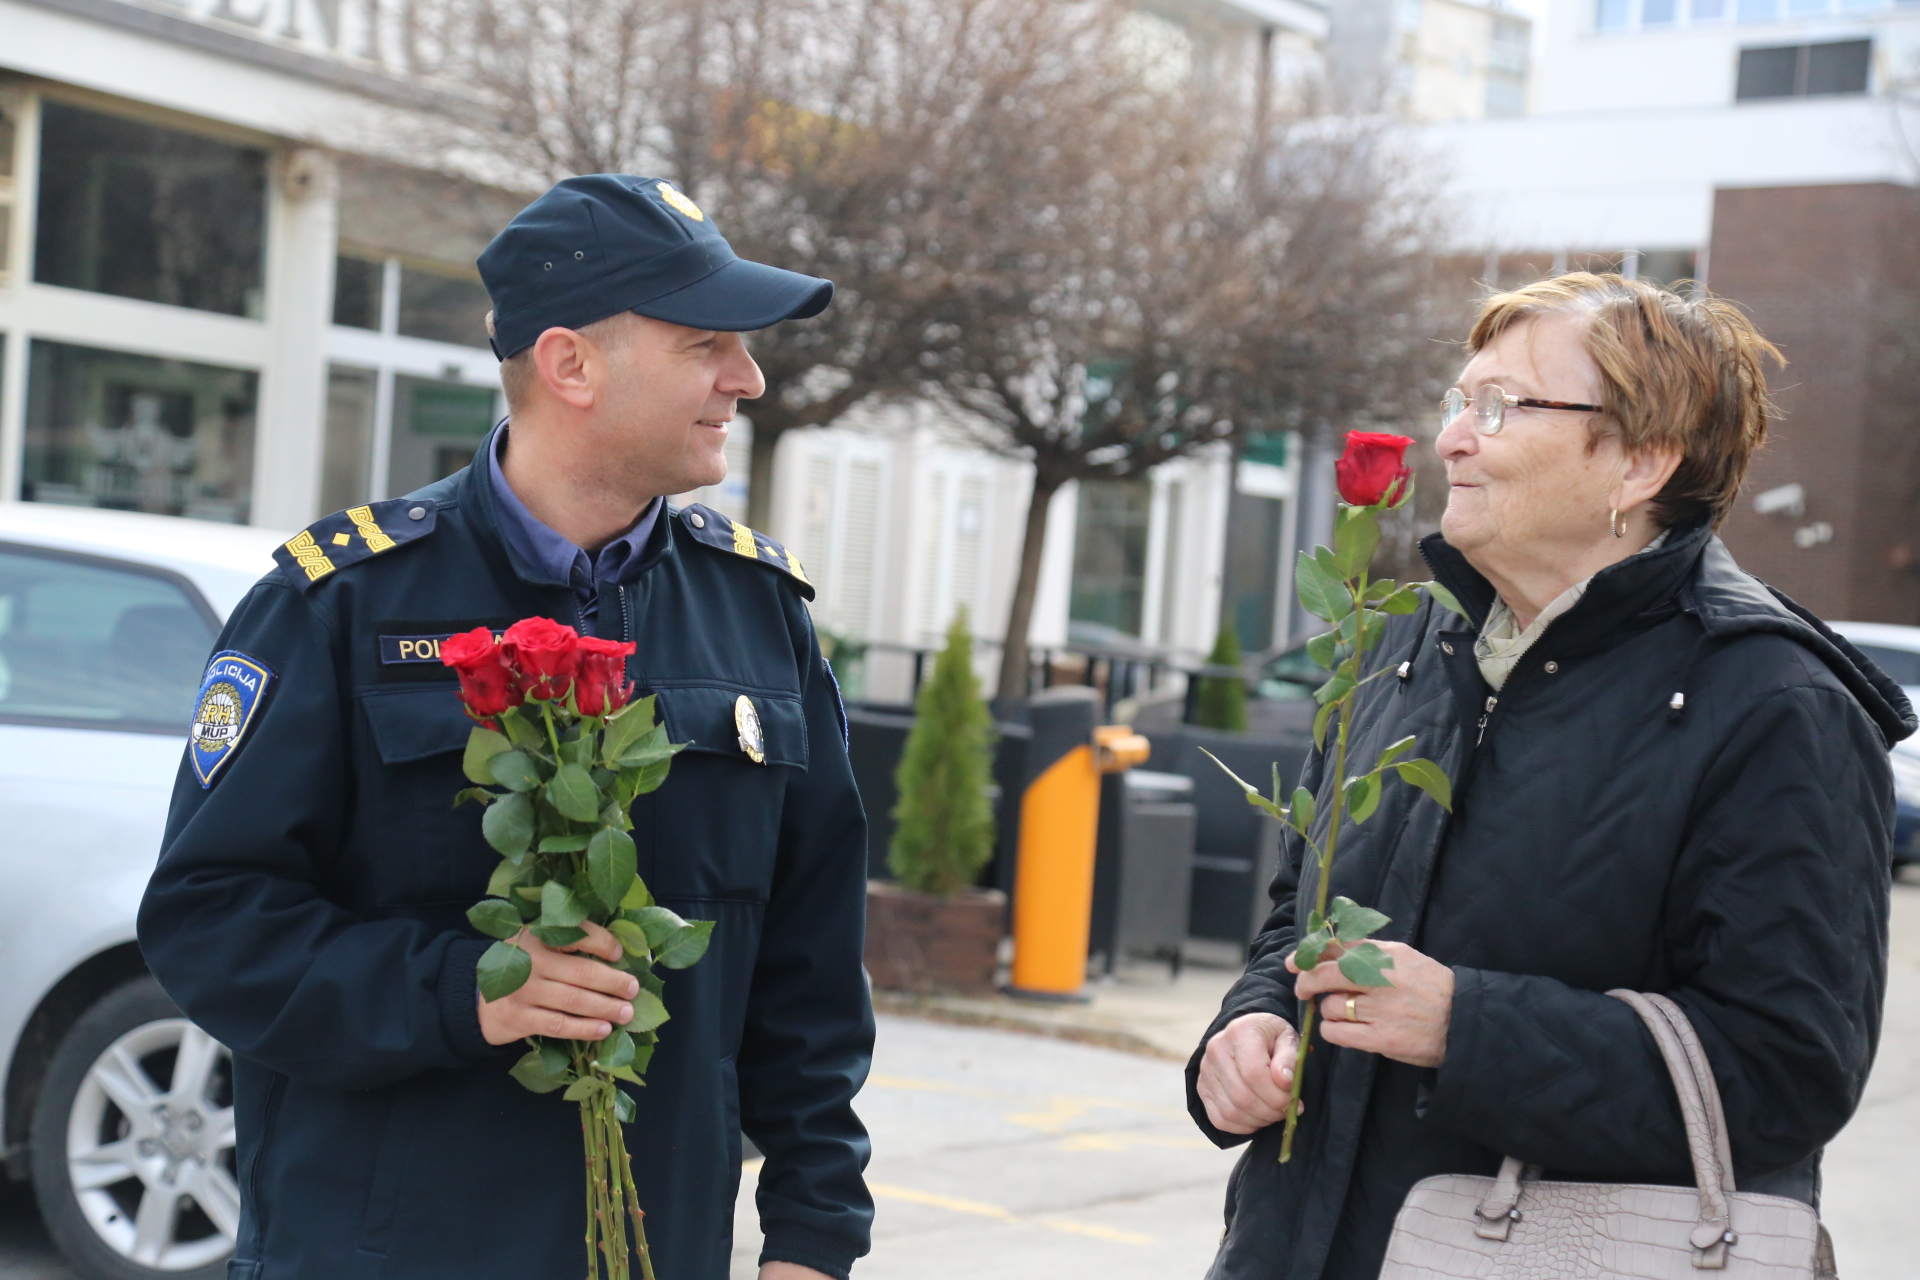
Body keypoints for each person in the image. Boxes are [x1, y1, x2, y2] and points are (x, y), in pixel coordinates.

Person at [138, 175, 873, 1280]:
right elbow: (210, 922)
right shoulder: (342, 601)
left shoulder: (758, 612)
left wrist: (814, 1234)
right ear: (571, 363)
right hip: (380, 1251)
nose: (747, 377)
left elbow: (809, 965)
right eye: (705, 342)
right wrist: (463, 987)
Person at [1188, 272, 1912, 1280]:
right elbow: (1297, 917)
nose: (1450, 438)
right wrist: (1251, 1020)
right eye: (1458, 400)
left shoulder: (1776, 703)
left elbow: (1787, 1071)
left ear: (1640, 462)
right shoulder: (1402, 646)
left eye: (1500, 406)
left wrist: (1465, 1026)